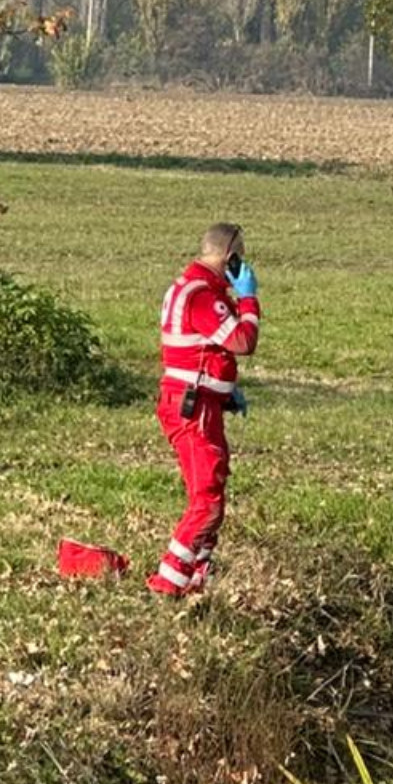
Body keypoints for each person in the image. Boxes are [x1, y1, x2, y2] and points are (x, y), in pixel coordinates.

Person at [151, 223, 261, 596]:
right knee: (207, 501)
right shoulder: (202, 296)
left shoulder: (192, 288)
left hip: (200, 403)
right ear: (229, 258)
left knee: (213, 486)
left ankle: (200, 571)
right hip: (192, 409)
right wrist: (249, 300)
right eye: (240, 257)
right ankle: (170, 583)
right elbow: (242, 341)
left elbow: (200, 352)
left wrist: (226, 392)